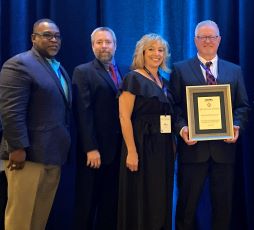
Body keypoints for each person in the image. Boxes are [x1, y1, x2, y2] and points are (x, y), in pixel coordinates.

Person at [170, 20, 249, 230]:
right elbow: (174, 107)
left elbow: (242, 106)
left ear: (219, 40)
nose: (207, 41)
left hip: (224, 151)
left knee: (223, 208)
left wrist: (237, 126)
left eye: (212, 36)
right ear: (195, 40)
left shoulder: (235, 71)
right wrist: (182, 128)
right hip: (192, 150)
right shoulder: (180, 69)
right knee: (186, 207)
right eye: (202, 37)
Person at [0, 18, 72, 230]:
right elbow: (11, 111)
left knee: (39, 219)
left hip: (52, 155)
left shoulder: (57, 68)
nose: (53, 40)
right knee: (20, 220)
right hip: (27, 157)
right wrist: (18, 147)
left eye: (57, 36)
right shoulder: (19, 64)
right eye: (47, 35)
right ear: (33, 38)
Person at [117, 33, 175, 230]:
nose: (156, 54)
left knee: (160, 196)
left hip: (163, 148)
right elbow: (124, 117)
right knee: (142, 196)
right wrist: (132, 151)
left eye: (160, 50)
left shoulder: (165, 82)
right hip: (141, 146)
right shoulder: (132, 78)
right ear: (142, 52)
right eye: (151, 49)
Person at [72, 27, 123, 230]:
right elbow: (82, 113)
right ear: (92, 46)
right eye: (99, 42)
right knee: (87, 204)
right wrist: (91, 148)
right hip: (95, 153)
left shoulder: (126, 71)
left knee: (110, 206)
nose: (104, 46)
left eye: (108, 42)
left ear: (115, 45)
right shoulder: (83, 72)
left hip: (119, 152)